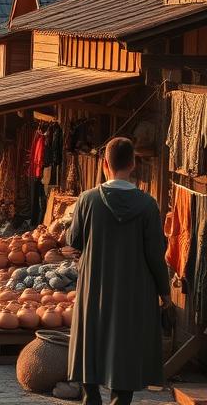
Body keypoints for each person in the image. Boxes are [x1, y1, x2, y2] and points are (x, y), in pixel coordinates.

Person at [68, 138, 169, 405]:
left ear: (105, 164)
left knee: (91, 343)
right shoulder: (148, 205)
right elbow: (155, 255)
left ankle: (91, 398)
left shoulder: (87, 199)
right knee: (127, 348)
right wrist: (165, 292)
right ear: (133, 164)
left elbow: (74, 240)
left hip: (95, 287)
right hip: (135, 292)